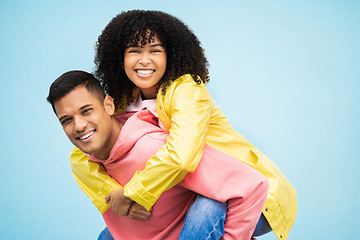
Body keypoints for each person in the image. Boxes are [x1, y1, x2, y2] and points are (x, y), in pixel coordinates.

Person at [70, 10, 297, 240]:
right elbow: (82, 156)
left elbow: (181, 155)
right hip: (190, 195)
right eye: (134, 51)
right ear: (120, 59)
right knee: (109, 236)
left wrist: (132, 193)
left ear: (171, 55)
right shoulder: (120, 102)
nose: (144, 60)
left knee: (205, 212)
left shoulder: (187, 92)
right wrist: (115, 197)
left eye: (155, 51)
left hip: (242, 193)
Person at [47, 70, 268, 239]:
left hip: (232, 214)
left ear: (108, 105)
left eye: (87, 111)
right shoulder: (85, 165)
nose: (79, 125)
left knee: (208, 208)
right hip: (162, 230)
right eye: (67, 120)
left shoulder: (153, 147)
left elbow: (252, 185)